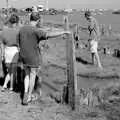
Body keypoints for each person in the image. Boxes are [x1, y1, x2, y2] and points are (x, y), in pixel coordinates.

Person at [17, 12, 71, 105]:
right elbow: (49, 35)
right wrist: (63, 32)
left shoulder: (22, 29)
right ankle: (29, 96)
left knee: (26, 74)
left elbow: (19, 41)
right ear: (38, 20)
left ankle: (25, 93)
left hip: (23, 56)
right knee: (33, 76)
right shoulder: (36, 30)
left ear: (30, 18)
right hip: (33, 57)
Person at [0, 14, 19, 92]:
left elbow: (2, 44)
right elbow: (19, 44)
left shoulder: (4, 31)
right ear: (16, 22)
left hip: (7, 52)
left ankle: (4, 86)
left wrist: (2, 55)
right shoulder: (18, 32)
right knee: (13, 72)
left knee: (9, 71)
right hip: (14, 52)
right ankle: (11, 88)